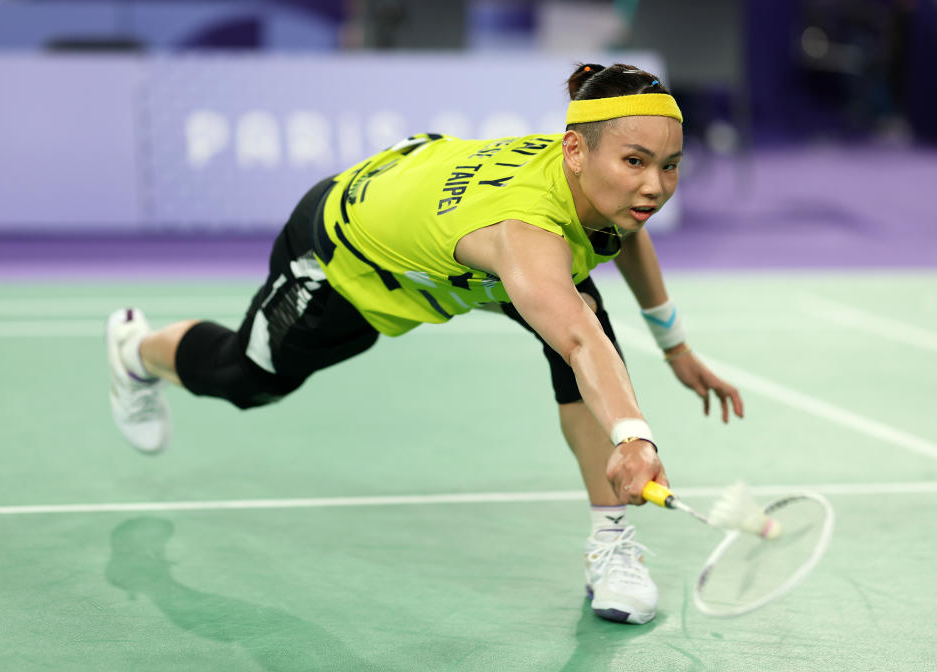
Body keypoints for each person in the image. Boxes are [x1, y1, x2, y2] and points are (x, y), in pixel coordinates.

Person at [105, 62, 743, 625]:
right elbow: (580, 340)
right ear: (574, 151)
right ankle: (136, 351)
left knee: (581, 335)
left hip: (456, 234)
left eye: (670, 165)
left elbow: (623, 235)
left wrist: (675, 345)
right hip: (352, 257)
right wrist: (633, 438)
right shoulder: (526, 231)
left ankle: (611, 541)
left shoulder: (598, 187)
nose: (655, 186)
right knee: (245, 379)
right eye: (635, 162)